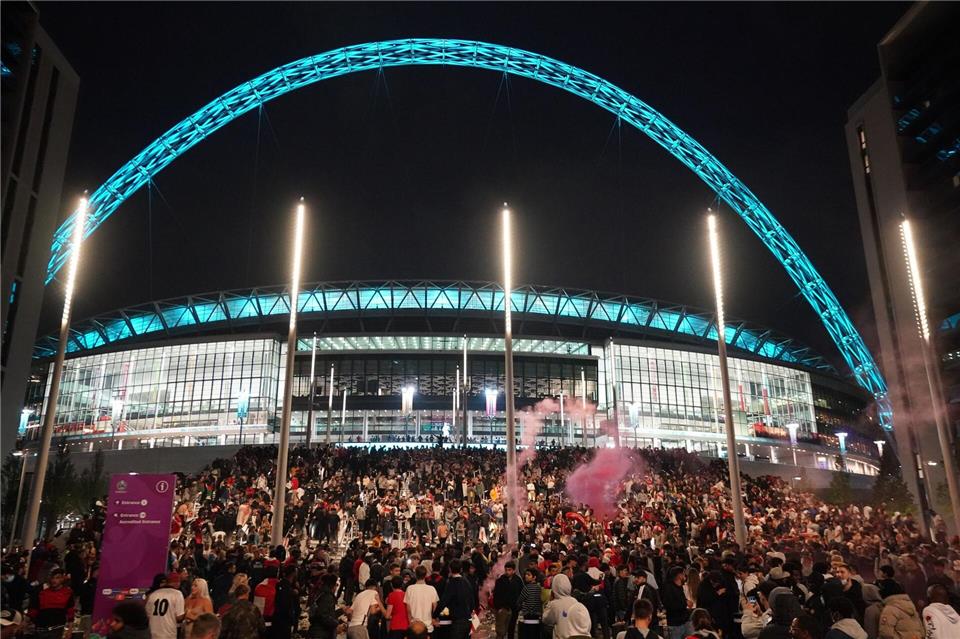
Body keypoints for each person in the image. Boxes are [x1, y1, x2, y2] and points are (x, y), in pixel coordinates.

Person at [434, 559, 475, 639]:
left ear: (450, 569)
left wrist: (434, 615)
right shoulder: (466, 581)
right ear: (461, 569)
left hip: (458, 621)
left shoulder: (451, 583)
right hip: (468, 619)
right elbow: (472, 600)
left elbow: (444, 601)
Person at [28, 568, 75, 639]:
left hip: (57, 629)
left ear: (62, 579)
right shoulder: (42, 593)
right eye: (53, 578)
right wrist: (25, 623)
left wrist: (70, 630)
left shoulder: (67, 593)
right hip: (40, 628)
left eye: (57, 578)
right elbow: (33, 610)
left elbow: (70, 613)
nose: (54, 580)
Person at [542, 573, 592, 639]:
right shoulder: (579, 604)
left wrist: (550, 602)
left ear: (554, 587)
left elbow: (546, 619)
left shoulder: (555, 604)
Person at [146, 573, 186, 639]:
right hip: (168, 633)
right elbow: (179, 617)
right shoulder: (177, 594)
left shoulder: (153, 594)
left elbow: (148, 614)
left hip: (153, 633)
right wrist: (187, 612)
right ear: (177, 582)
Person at [493, 561, 523, 639]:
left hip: (514, 608)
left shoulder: (518, 580)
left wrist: (519, 606)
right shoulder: (500, 580)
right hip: (503, 608)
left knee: (511, 628)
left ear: (514, 570)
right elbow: (496, 594)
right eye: (506, 570)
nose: (507, 572)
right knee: (501, 630)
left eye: (509, 570)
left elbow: (521, 594)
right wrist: (498, 607)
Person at [404, 566, 438, 633]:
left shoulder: (410, 589)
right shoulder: (432, 589)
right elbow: (435, 607)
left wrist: (410, 623)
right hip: (428, 626)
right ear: (425, 575)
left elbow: (408, 609)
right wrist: (434, 619)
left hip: (414, 626)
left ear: (415, 575)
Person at [308, 574, 342, 639]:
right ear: (332, 585)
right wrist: (336, 624)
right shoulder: (327, 597)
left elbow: (328, 613)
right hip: (321, 633)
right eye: (336, 585)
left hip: (318, 631)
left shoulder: (321, 593)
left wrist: (341, 611)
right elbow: (323, 616)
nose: (336, 587)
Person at [662, 567, 692, 639]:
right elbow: (669, 605)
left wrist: (686, 601)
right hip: (675, 624)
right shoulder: (668, 588)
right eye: (683, 573)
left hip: (685, 621)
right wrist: (685, 603)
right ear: (679, 575)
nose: (685, 575)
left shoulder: (680, 586)